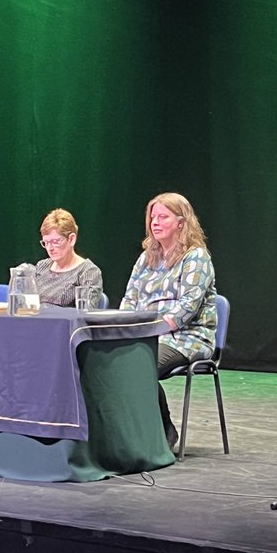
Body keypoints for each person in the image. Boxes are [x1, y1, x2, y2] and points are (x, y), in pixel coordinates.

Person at [121, 192, 217, 451]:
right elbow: (130, 297)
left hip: (187, 339)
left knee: (139, 366)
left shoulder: (196, 258)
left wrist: (152, 329)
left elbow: (187, 307)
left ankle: (164, 431)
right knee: (112, 362)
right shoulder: (147, 257)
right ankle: (129, 435)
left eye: (163, 217)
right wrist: (124, 325)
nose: (155, 222)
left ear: (181, 222)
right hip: (148, 334)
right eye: (153, 217)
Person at [32, 208, 103, 307]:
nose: (49, 248)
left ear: (71, 239)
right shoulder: (42, 266)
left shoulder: (88, 271)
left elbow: (86, 314)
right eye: (46, 242)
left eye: (55, 242)